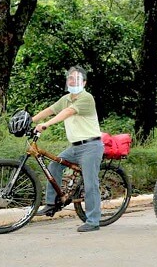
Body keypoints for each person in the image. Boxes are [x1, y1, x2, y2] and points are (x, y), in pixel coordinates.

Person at [32, 66, 103, 233]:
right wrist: (30, 120)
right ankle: (52, 204)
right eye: (70, 78)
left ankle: (93, 221)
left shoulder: (87, 98)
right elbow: (50, 110)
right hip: (74, 147)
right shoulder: (66, 98)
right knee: (54, 165)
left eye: (77, 79)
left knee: (90, 183)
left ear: (84, 82)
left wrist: (46, 125)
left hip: (91, 146)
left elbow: (67, 112)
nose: (73, 81)